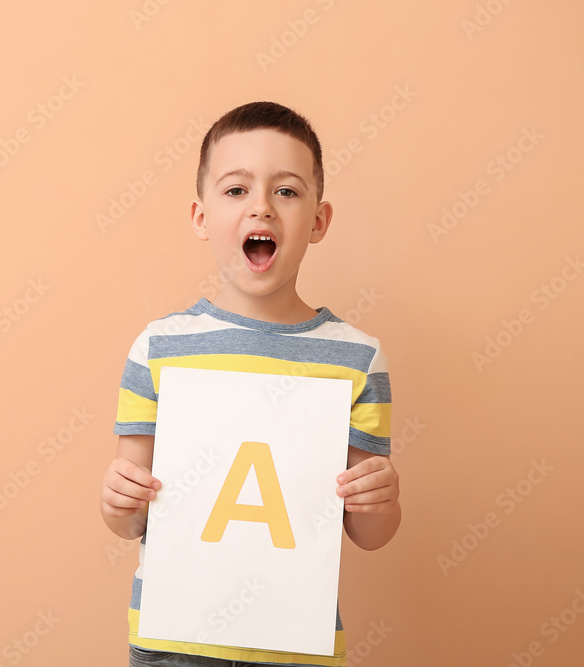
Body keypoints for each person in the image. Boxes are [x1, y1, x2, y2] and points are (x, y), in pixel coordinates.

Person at [99, 101, 401, 667]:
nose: (261, 206)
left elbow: (370, 532)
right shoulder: (159, 348)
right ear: (200, 216)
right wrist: (118, 500)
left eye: (286, 191)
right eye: (236, 190)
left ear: (318, 220)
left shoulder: (358, 359)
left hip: (297, 642)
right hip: (173, 642)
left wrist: (381, 497)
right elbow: (132, 517)